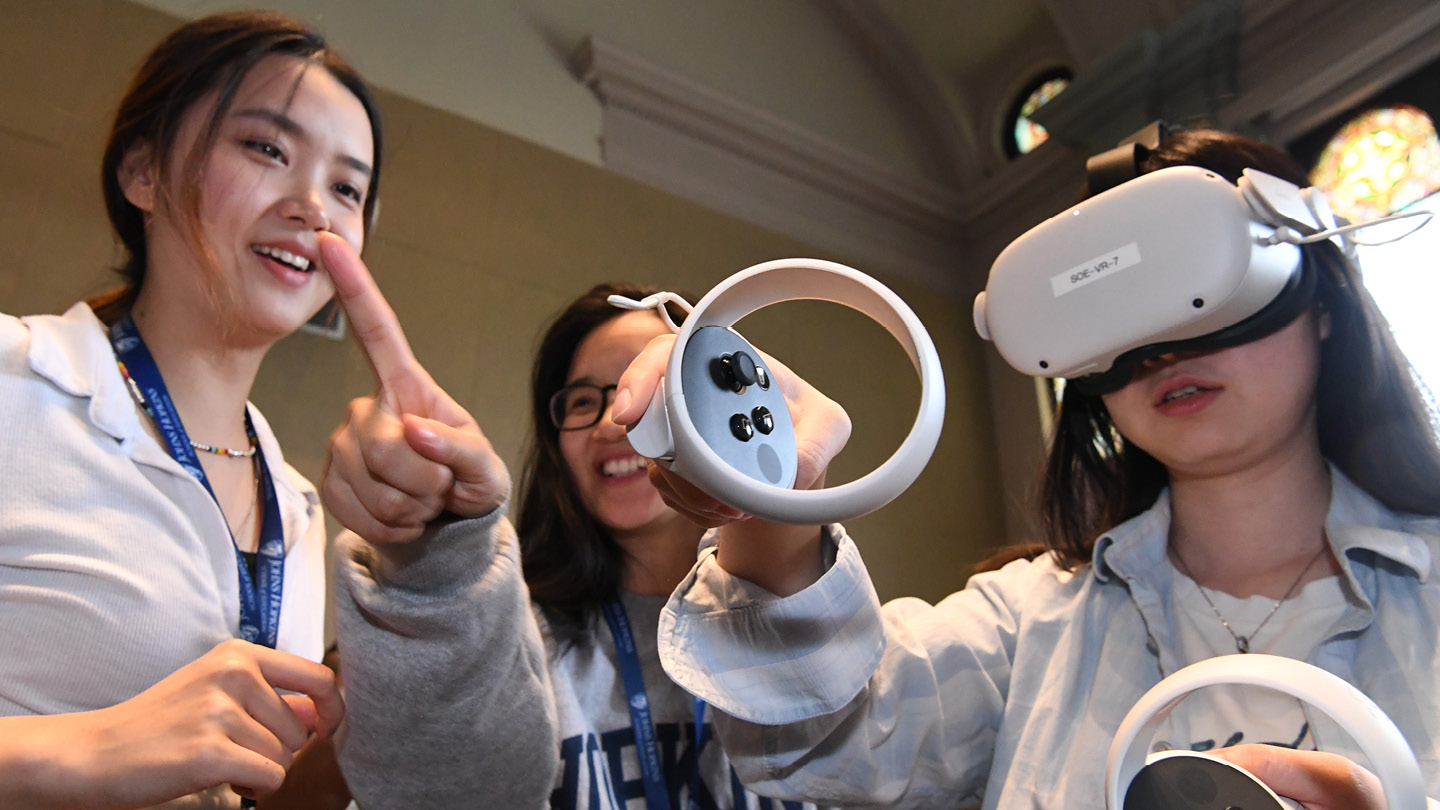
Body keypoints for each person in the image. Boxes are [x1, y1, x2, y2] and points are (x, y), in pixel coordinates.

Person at [611, 129, 1440, 810]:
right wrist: (774, 494)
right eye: (1117, 311)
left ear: (1320, 298)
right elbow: (828, 742)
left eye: (1198, 284)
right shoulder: (1026, 626)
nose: (1161, 345)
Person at [0, 11, 383, 808]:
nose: (313, 206)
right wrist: (84, 746)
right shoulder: (14, 380)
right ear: (142, 172)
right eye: (268, 148)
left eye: (347, 188)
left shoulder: (300, 509)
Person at [328, 281, 839, 809]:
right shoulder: (503, 641)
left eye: (651, 390)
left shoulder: (803, 620)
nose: (609, 423)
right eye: (581, 400)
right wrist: (433, 559)